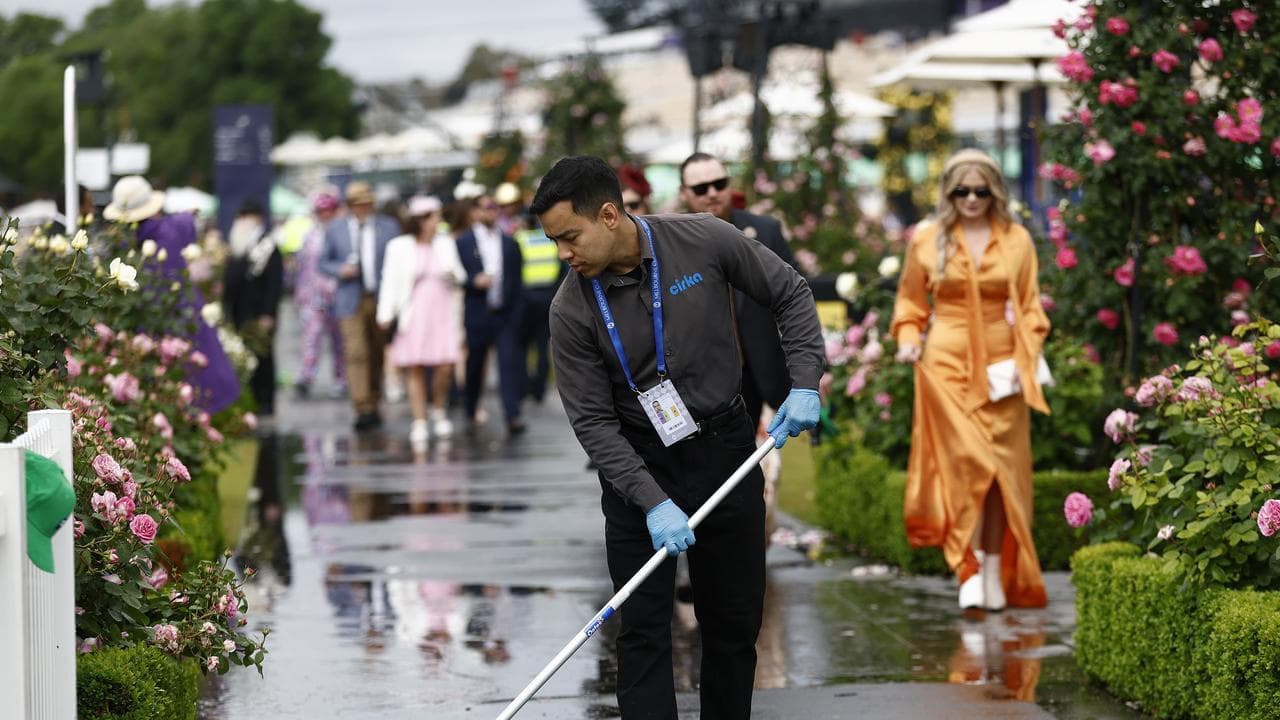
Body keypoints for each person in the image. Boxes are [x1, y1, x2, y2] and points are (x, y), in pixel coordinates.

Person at [532, 155, 824, 719]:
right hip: (640, 468)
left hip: (726, 451)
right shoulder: (570, 309)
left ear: (609, 215)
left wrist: (805, 382)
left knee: (733, 623)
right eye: (554, 242)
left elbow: (790, 292)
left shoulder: (704, 239)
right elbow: (593, 423)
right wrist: (652, 501)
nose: (563, 253)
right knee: (642, 631)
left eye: (570, 236)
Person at [890, 148, 1051, 612]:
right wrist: (908, 338)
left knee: (1003, 474)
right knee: (964, 466)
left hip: (1002, 368)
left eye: (981, 191)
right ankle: (970, 566)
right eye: (962, 191)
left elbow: (1031, 308)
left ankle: (995, 568)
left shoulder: (1017, 239)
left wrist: (1026, 356)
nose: (972, 199)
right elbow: (910, 303)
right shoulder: (928, 239)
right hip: (946, 364)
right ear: (949, 193)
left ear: (995, 191)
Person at [680, 152, 799, 431]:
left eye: (719, 184)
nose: (712, 193)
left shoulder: (765, 230)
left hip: (768, 373)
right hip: (708, 382)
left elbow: (795, 299)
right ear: (684, 193)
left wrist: (812, 369)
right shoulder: (673, 242)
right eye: (701, 188)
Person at [103, 175, 240, 413]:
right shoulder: (170, 229)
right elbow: (185, 221)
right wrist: (189, 213)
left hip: (143, 328)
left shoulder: (122, 243)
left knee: (158, 397)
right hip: (182, 316)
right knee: (197, 385)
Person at [377, 195, 466, 444]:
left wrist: (452, 275)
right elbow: (390, 282)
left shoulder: (445, 244)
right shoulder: (399, 247)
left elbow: (461, 276)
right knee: (414, 366)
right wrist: (385, 313)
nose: (438, 222)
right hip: (414, 313)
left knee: (445, 366)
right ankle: (419, 419)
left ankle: (438, 408)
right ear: (422, 220)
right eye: (435, 217)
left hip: (442, 312)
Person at [320, 181, 400, 431]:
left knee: (376, 351)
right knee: (356, 351)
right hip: (350, 297)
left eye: (366, 203)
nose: (363, 208)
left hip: (379, 297)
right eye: (358, 204)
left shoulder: (388, 227)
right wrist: (340, 270)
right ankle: (361, 405)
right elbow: (323, 262)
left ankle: (374, 401)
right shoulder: (336, 229)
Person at [455, 194, 526, 436]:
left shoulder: (509, 242)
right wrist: (472, 281)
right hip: (477, 312)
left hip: (504, 314)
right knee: (475, 363)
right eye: (486, 207)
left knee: (508, 363)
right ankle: (470, 406)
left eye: (495, 207)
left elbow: (517, 280)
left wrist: (516, 313)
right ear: (475, 211)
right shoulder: (463, 242)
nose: (491, 211)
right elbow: (455, 274)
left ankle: (512, 414)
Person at [223, 199, 285, 416]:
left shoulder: (268, 246)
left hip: (260, 312)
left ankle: (265, 401)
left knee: (263, 358)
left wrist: (268, 313)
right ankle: (249, 401)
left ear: (257, 218)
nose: (241, 221)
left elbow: (274, 284)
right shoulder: (237, 245)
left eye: (245, 216)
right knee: (243, 357)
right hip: (240, 311)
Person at [292, 191, 346, 399]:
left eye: (328, 210)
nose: (325, 214)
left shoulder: (341, 234)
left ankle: (341, 378)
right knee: (311, 337)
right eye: (321, 211)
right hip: (313, 296)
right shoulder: (310, 236)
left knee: (339, 340)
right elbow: (303, 267)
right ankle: (306, 376)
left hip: (337, 295)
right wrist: (300, 293)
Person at [514, 217, 566, 403]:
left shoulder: (520, 239)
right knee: (542, 344)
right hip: (547, 297)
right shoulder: (550, 240)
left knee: (522, 345)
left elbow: (514, 271)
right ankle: (540, 389)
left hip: (526, 299)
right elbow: (562, 269)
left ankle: (523, 385)